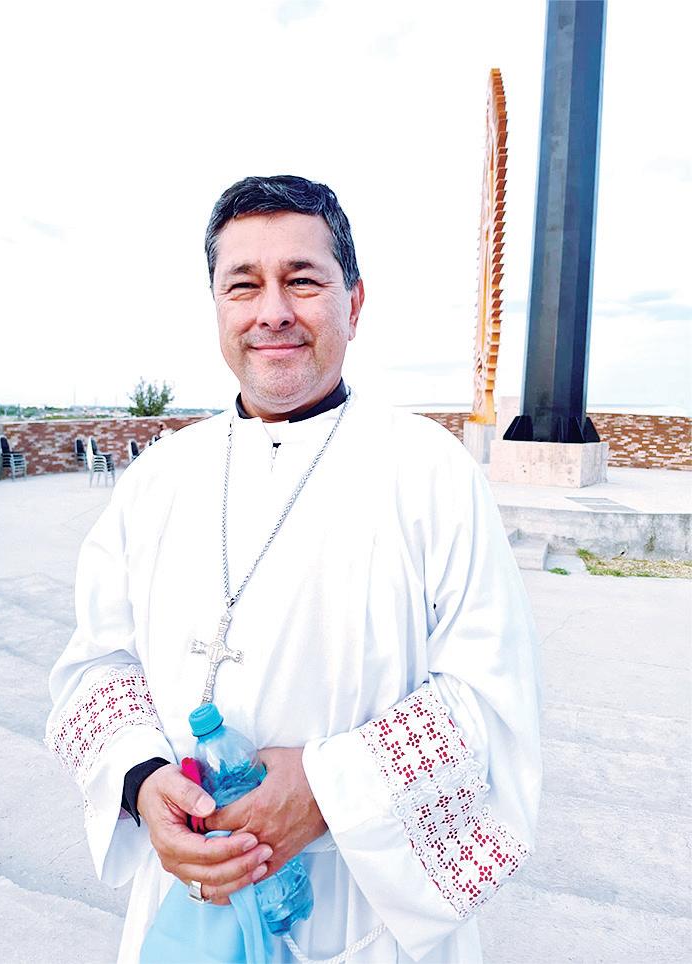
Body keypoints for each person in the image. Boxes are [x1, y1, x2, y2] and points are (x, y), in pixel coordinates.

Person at [46, 175, 541, 964]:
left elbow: (492, 700)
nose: (272, 310)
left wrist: (326, 790)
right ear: (217, 307)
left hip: (364, 919)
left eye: (302, 281)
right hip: (188, 903)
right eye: (243, 285)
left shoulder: (431, 474)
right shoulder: (157, 479)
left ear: (355, 302)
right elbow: (96, 667)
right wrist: (142, 780)